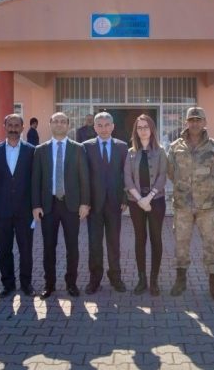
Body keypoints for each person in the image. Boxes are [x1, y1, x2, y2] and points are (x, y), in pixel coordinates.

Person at [167, 107, 214, 300]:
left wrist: (207, 190)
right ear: (186, 122)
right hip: (183, 206)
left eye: (198, 120)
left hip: (207, 207)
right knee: (181, 243)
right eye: (191, 120)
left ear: (204, 122)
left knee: (210, 244)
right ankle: (181, 278)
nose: (194, 123)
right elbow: (171, 172)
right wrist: (184, 189)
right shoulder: (175, 146)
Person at [33, 112, 90, 299]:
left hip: (71, 205)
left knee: (72, 247)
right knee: (48, 248)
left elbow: (84, 179)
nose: (59, 124)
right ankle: (49, 285)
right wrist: (36, 205)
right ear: (50, 124)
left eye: (63, 121)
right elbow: (36, 179)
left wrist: (85, 203)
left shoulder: (78, 148)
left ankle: (71, 284)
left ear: (68, 125)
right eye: (55, 121)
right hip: (48, 206)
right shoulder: (40, 150)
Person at [0, 114, 36, 298]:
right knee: (4, 249)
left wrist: (35, 207)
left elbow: (35, 182)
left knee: (26, 250)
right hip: (2, 210)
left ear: (23, 128)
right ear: (4, 126)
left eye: (17, 125)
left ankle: (26, 284)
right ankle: (8, 284)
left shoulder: (32, 151)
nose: (13, 128)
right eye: (10, 125)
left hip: (25, 211)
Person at [83, 112, 129, 294]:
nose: (103, 128)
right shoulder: (85, 147)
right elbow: (83, 176)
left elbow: (126, 175)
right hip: (93, 204)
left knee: (114, 242)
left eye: (106, 124)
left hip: (115, 203)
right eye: (99, 125)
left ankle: (115, 277)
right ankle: (95, 279)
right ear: (94, 127)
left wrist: (125, 198)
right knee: (94, 244)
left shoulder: (122, 147)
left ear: (112, 126)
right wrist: (84, 202)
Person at [124, 114, 168, 296]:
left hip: (156, 202)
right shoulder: (130, 153)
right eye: (139, 127)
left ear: (152, 129)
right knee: (140, 240)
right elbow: (127, 178)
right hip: (136, 203)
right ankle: (142, 280)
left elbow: (162, 177)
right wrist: (139, 200)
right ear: (136, 130)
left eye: (146, 127)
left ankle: (154, 280)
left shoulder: (161, 151)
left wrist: (148, 198)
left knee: (156, 239)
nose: (142, 130)